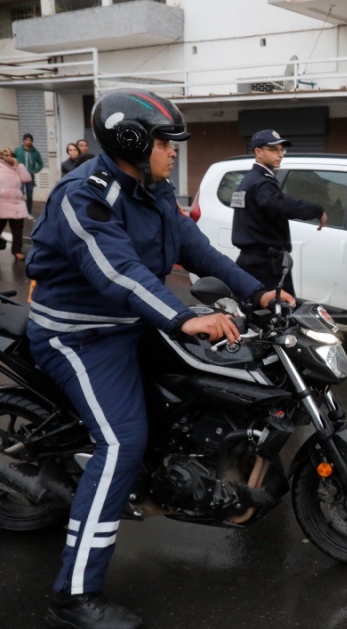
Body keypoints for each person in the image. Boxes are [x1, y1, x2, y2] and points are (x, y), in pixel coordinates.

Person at [26, 88, 292, 629]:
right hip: (79, 335)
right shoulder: (85, 194)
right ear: (132, 141)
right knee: (122, 441)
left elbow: (196, 248)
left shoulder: (152, 188)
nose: (174, 152)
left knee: (201, 385)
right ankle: (73, 596)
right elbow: (117, 271)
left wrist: (258, 293)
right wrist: (182, 316)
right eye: (167, 142)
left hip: (130, 323)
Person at [230, 129, 327, 295]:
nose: (280, 154)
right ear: (258, 152)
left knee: (257, 314)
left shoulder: (249, 180)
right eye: (274, 150)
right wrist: (316, 210)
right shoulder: (261, 182)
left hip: (252, 260)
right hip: (265, 264)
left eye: (282, 150)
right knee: (280, 314)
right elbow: (279, 204)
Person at [0, 147, 32, 260]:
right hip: (1, 204)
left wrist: (18, 165)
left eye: (9, 154)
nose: (7, 157)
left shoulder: (17, 167)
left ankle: (17, 250)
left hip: (16, 204)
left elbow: (27, 179)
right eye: (4, 154)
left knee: (18, 230)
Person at [14, 133, 43, 218]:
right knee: (20, 194)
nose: (28, 141)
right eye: (26, 140)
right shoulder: (18, 150)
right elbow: (13, 159)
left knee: (30, 195)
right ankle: (19, 211)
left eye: (30, 140)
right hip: (19, 176)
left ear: (32, 141)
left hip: (30, 177)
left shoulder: (35, 153)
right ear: (23, 141)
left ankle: (28, 212)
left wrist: (34, 171)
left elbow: (40, 164)